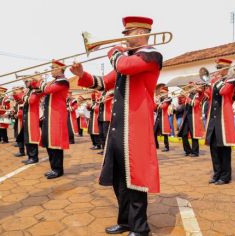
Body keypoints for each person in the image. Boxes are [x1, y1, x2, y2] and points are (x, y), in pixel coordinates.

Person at [71, 16, 162, 236]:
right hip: (119, 127)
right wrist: (81, 74)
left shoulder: (152, 55)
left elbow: (124, 65)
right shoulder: (126, 59)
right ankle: (125, 222)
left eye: (128, 33)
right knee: (120, 179)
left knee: (136, 180)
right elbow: (103, 82)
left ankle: (141, 228)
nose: (125, 37)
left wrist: (113, 51)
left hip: (137, 127)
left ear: (141, 32)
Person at [205, 58, 235, 185]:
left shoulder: (231, 80)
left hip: (223, 120)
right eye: (217, 68)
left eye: (220, 68)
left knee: (224, 150)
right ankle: (216, 173)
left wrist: (216, 81)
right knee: (214, 149)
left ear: (227, 69)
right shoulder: (215, 81)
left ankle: (225, 176)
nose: (218, 71)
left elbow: (223, 91)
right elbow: (209, 95)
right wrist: (207, 84)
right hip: (213, 119)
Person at [36, 60, 69, 179]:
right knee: (49, 143)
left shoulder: (63, 81)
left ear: (60, 69)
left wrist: (39, 80)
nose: (51, 70)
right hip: (50, 116)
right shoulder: (54, 81)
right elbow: (42, 91)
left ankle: (58, 169)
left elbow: (47, 90)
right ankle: (53, 167)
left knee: (55, 144)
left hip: (56, 116)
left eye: (53, 68)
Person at [177, 82, 205, 157]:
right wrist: (181, 96)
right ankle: (187, 150)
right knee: (184, 134)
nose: (190, 89)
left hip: (193, 117)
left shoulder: (198, 95)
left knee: (194, 135)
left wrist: (186, 96)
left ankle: (195, 152)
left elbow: (194, 104)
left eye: (191, 87)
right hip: (186, 116)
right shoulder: (189, 95)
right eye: (190, 87)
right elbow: (182, 104)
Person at [154, 86, 171, 152]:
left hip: (164, 117)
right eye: (161, 93)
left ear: (166, 93)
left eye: (162, 92)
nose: (161, 94)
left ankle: (167, 147)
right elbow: (155, 109)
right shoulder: (160, 99)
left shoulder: (168, 99)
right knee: (154, 132)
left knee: (165, 133)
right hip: (158, 117)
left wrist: (158, 102)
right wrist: (156, 102)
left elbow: (164, 106)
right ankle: (156, 145)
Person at [98, 90, 114, 155]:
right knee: (101, 134)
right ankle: (104, 149)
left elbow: (103, 101)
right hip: (101, 117)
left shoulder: (110, 92)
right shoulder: (102, 93)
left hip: (106, 117)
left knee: (106, 135)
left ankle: (108, 150)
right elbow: (98, 101)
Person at [12, 87, 26, 157]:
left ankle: (22, 151)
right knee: (19, 134)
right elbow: (17, 107)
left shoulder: (23, 96)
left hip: (22, 118)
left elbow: (22, 108)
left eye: (16, 89)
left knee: (21, 135)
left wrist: (18, 114)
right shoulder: (18, 98)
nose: (15, 91)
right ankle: (21, 150)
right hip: (19, 118)